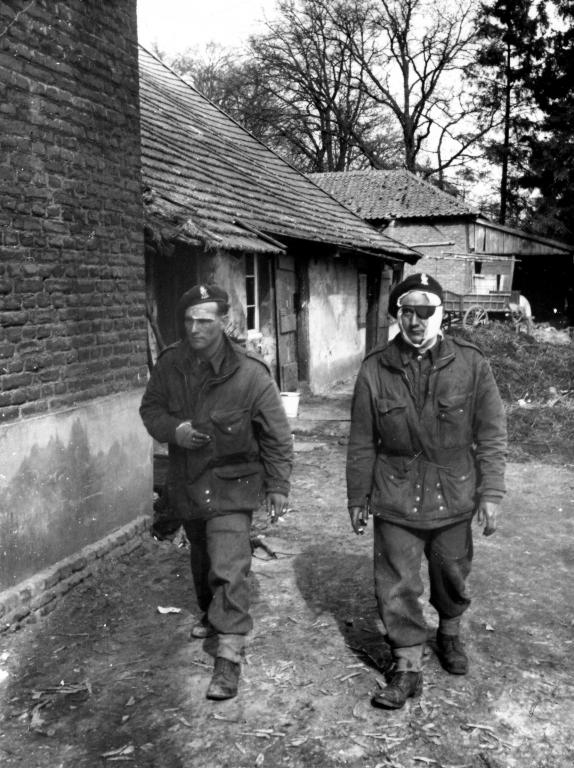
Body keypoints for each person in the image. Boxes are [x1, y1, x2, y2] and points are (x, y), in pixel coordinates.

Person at [346, 273, 507, 710]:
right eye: (407, 312)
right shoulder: (375, 368)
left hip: (453, 493)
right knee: (395, 582)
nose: (415, 321)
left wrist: (492, 492)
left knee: (451, 572)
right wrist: (357, 497)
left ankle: (449, 633)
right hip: (395, 493)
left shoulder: (471, 364)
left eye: (425, 311)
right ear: (397, 316)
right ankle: (407, 666)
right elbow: (361, 440)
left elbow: (491, 433)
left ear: (441, 315)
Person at [140, 284, 293, 701]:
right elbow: (150, 409)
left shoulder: (250, 372)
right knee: (202, 555)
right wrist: (175, 430)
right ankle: (212, 612)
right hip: (188, 481)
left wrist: (278, 485)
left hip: (233, 483)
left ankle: (229, 655)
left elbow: (276, 434)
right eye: (189, 320)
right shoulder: (171, 364)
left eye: (205, 321)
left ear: (224, 322)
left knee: (228, 563)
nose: (195, 329)